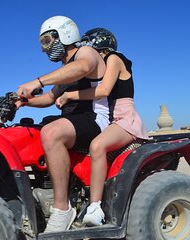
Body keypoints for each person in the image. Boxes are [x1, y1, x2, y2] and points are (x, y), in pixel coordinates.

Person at [17, 17, 109, 232]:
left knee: (51, 133)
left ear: (65, 35)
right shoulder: (66, 68)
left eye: (47, 41)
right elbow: (50, 98)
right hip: (75, 120)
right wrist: (23, 102)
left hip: (95, 117)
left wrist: (37, 81)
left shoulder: (86, 53)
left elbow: (84, 67)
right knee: (29, 132)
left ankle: (62, 208)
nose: (45, 49)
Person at [56, 28, 149, 226]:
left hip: (124, 119)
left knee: (97, 146)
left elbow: (103, 90)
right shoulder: (103, 66)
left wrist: (68, 95)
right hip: (112, 118)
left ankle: (95, 207)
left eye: (86, 45)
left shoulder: (115, 58)